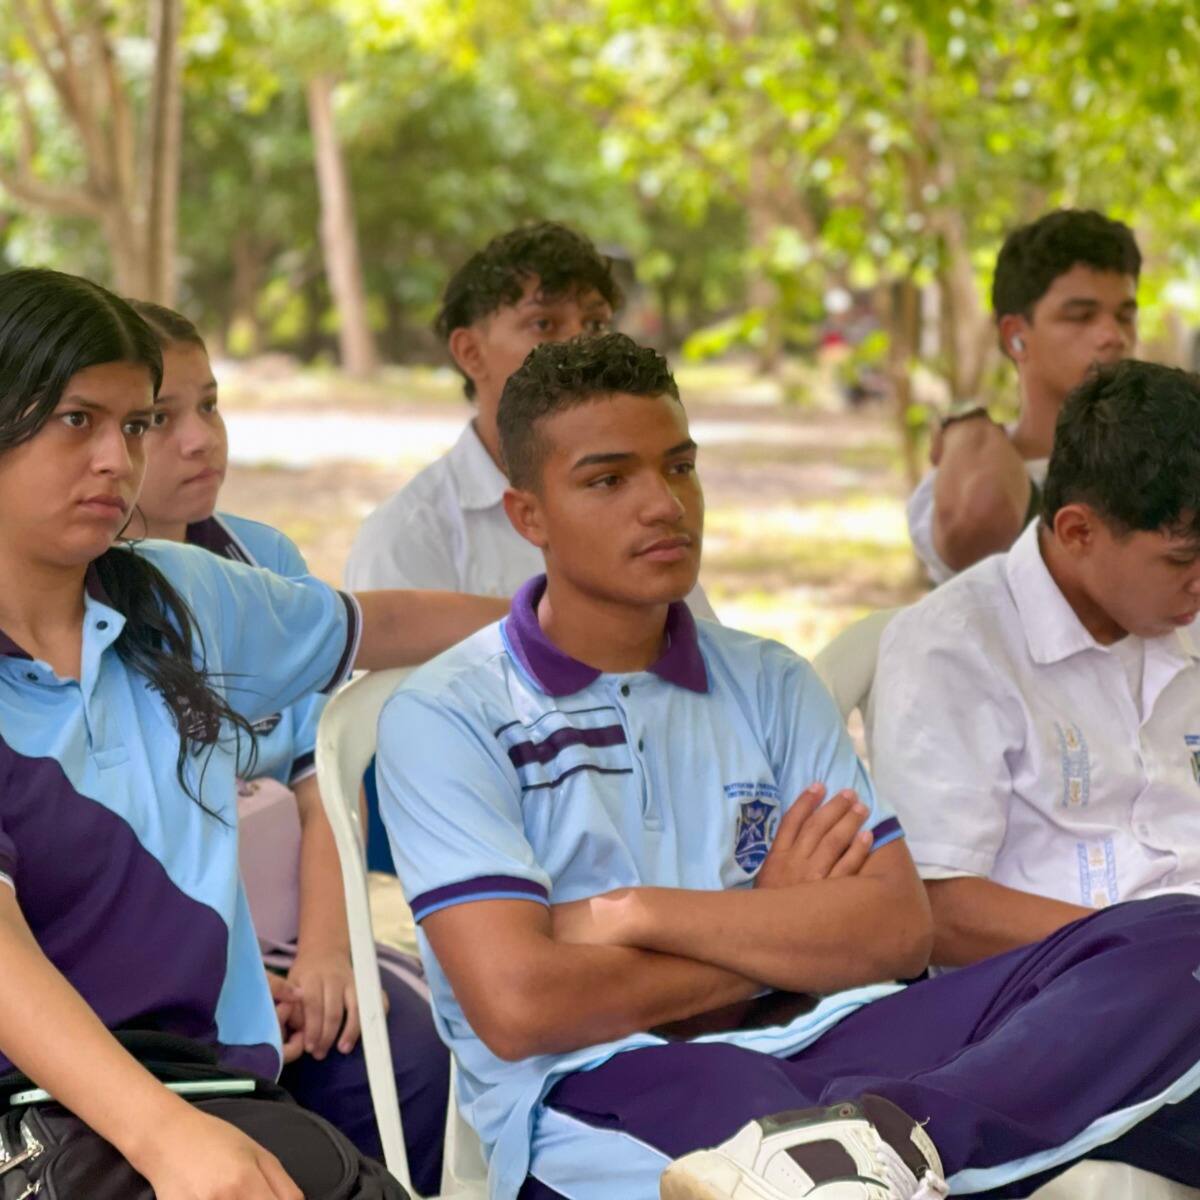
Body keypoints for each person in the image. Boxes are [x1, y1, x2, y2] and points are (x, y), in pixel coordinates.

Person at [376, 333, 1200, 1200]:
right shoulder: (448, 715)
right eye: (609, 480)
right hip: (606, 1085)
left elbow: (892, 931)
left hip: (843, 1038)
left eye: (681, 467)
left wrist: (634, 912)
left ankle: (893, 1141)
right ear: (528, 516)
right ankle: (885, 1150)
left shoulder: (769, 679)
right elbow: (523, 1007)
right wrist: (773, 930)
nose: (664, 505)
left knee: (1176, 936)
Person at [0, 268, 505, 1199]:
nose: (120, 458)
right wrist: (168, 1140)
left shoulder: (172, 594)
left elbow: (376, 625)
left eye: (134, 423)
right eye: (78, 420)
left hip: (217, 1093)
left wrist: (583, 612)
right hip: (35, 1126)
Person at [126, 299, 448, 1192]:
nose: (200, 440)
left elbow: (323, 783)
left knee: (406, 1050)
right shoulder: (73, 608)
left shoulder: (261, 562)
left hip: (294, 940)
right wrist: (227, 980)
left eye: (212, 405)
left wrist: (327, 954)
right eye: (159, 420)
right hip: (160, 973)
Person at [871, 359, 1200, 968]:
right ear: (1078, 532)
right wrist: (1150, 946)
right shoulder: (953, 648)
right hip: (1056, 991)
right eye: (1182, 561)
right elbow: (933, 908)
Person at [344, 220, 715, 620]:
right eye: (544, 324)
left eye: (594, 323)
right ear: (470, 352)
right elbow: (390, 678)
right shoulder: (409, 535)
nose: (581, 343)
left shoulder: (655, 511)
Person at [908, 209, 1140, 584]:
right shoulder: (970, 467)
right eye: (1081, 316)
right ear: (1015, 335)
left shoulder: (1169, 453)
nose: (1113, 336)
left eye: (1125, 316)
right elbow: (980, 523)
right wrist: (968, 425)